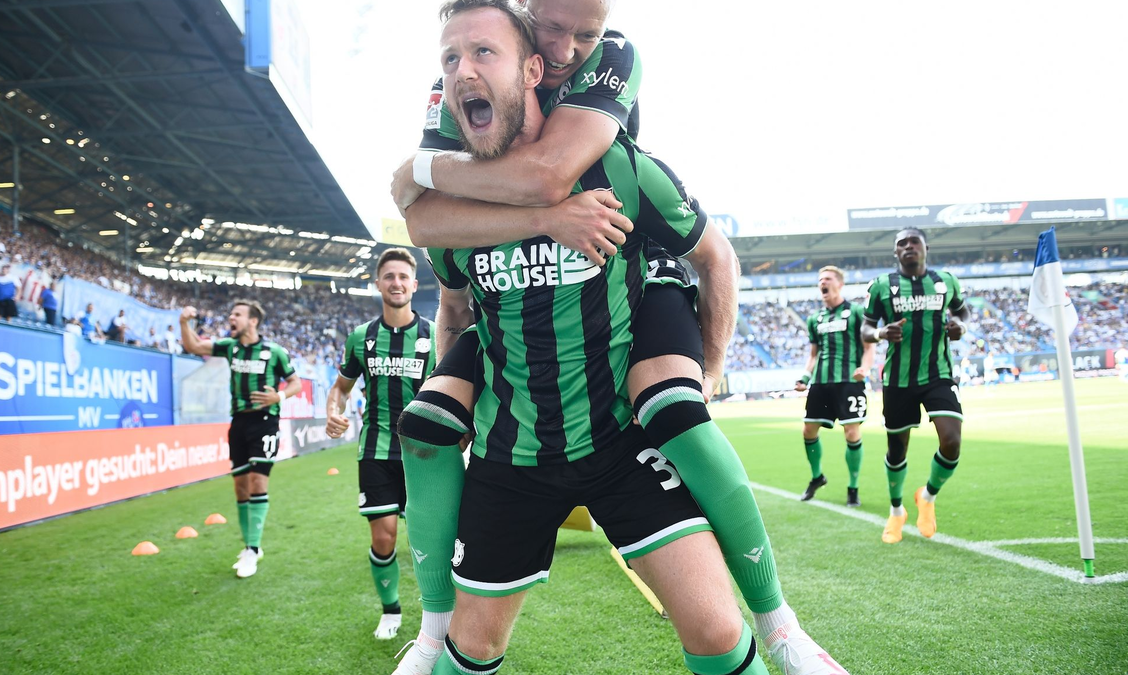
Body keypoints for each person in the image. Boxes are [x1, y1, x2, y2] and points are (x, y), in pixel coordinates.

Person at [391, 1, 841, 674]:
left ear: (533, 70)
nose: (463, 72)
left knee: (719, 631)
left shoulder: (623, 167)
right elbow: (453, 301)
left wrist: (709, 367)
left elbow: (713, 255)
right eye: (451, 60)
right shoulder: (456, 214)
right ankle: (430, 638)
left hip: (617, 440)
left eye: (484, 54)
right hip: (512, 457)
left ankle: (781, 627)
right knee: (471, 646)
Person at [324, 248, 436, 642]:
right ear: (378, 284)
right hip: (375, 450)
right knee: (383, 536)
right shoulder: (361, 338)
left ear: (414, 284)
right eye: (389, 276)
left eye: (403, 276)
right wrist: (333, 412)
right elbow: (340, 388)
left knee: (432, 539)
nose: (396, 283)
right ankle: (390, 611)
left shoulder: (433, 335)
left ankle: (437, 616)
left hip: (425, 454)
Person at [862, 227, 970, 544]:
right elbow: (866, 328)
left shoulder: (946, 281)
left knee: (951, 441)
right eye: (901, 244)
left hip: (938, 374)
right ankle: (897, 511)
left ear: (925, 248)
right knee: (897, 449)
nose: (908, 247)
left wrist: (960, 326)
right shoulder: (882, 286)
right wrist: (881, 334)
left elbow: (962, 310)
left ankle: (928, 496)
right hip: (897, 379)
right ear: (896, 253)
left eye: (914, 242)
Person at [179, 299, 301, 578]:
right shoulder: (229, 347)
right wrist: (184, 323)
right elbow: (194, 346)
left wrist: (277, 396)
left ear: (253, 321)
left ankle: (252, 548)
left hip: (266, 422)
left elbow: (295, 382)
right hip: (238, 423)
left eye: (237, 314)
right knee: (241, 488)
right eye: (230, 313)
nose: (231, 318)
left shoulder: (275, 352)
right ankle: (250, 547)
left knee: (258, 481)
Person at [794, 266, 875, 507]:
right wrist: (805, 378)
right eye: (820, 280)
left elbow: (869, 347)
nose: (823, 283)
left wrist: (865, 369)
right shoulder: (814, 319)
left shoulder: (857, 312)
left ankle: (853, 487)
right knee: (808, 431)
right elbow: (813, 355)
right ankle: (817, 477)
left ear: (839, 284)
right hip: (821, 382)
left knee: (851, 432)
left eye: (827, 279)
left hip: (850, 381)